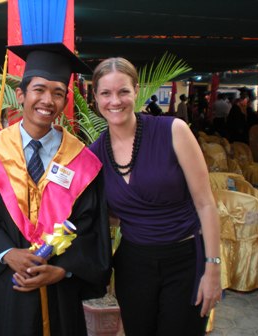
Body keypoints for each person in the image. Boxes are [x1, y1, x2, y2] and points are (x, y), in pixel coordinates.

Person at [0, 43, 112, 336]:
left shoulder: (82, 161)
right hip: (10, 281)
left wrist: (62, 270)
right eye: (39, 89)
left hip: (60, 286)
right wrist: (7, 252)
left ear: (65, 100)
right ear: (21, 95)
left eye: (58, 92)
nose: (47, 100)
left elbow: (90, 227)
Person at [89, 57, 222, 336]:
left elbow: (206, 204)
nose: (115, 101)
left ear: (136, 91)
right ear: (96, 97)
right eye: (106, 93)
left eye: (123, 91)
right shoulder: (94, 154)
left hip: (185, 261)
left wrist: (213, 268)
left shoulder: (173, 131)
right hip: (134, 264)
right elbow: (106, 214)